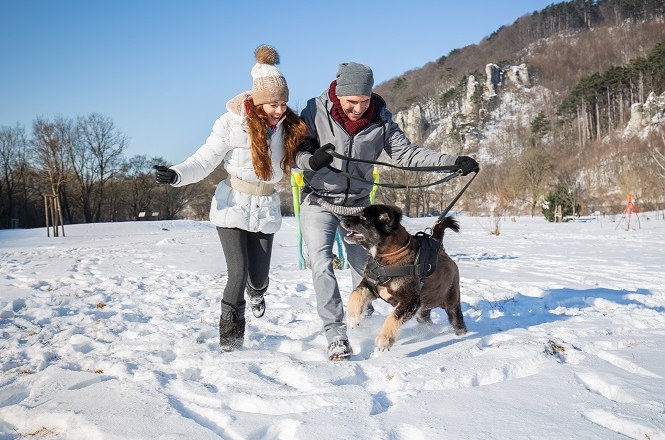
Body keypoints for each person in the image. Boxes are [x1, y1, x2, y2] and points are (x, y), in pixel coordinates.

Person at [295, 62, 479, 360]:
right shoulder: (313, 112)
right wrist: (311, 161)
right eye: (351, 102)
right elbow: (296, 153)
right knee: (321, 264)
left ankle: (364, 321)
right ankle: (336, 334)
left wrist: (453, 161)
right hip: (319, 201)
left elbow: (407, 153)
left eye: (363, 101)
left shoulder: (380, 119)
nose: (357, 108)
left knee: (367, 272)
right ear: (337, 94)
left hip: (357, 205)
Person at [154, 45, 307, 350]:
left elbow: (302, 157)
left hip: (265, 207)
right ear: (259, 101)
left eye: (283, 103)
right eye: (273, 104)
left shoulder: (289, 127)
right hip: (232, 205)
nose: (279, 110)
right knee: (237, 272)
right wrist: (176, 174)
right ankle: (231, 342)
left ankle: (258, 291)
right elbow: (204, 159)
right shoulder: (230, 124)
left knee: (259, 278)